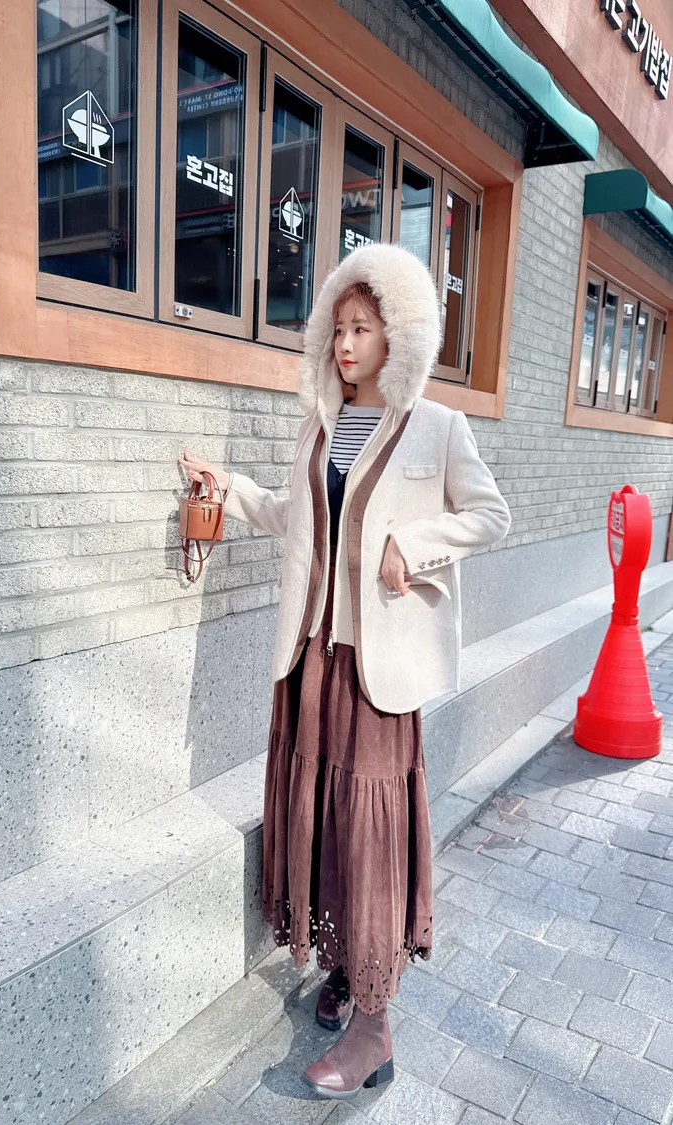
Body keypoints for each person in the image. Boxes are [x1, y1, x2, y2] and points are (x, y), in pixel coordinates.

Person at [179, 242, 511, 1100]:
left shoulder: (437, 427)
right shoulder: (322, 425)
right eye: (338, 328)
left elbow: (490, 515)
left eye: (363, 328)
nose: (346, 343)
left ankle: (374, 1026)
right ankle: (340, 963)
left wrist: (414, 545)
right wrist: (228, 487)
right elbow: (297, 516)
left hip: (378, 671)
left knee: (368, 837)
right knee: (324, 818)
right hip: (312, 659)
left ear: (398, 334)